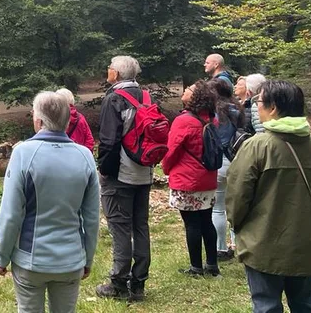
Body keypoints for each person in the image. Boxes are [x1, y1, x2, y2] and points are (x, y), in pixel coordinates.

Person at [227, 81, 311, 313]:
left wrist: (239, 227)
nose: (257, 107)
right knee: (305, 305)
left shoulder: (256, 146)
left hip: (261, 244)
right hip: (304, 244)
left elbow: (237, 197)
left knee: (266, 305)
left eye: (259, 102)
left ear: (273, 108)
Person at [0, 90, 100, 313]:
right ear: (68, 119)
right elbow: (91, 218)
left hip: (31, 261)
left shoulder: (22, 153)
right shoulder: (85, 156)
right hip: (71, 261)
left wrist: (1, 256)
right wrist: (87, 258)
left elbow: (11, 214)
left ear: (38, 120)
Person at [95, 56, 152, 302]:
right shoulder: (148, 97)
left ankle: (118, 283)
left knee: (120, 229)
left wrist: (104, 170)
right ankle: (138, 284)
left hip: (121, 175)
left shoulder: (114, 99)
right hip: (145, 172)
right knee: (140, 227)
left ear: (116, 74)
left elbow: (109, 141)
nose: (108, 71)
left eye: (110, 67)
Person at [162, 81, 221, 277]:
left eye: (189, 89)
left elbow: (172, 151)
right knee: (207, 221)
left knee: (192, 224)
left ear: (195, 97)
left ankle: (196, 267)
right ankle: (212, 265)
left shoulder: (183, 121)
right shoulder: (211, 119)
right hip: (208, 177)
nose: (185, 90)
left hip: (187, 179)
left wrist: (166, 168)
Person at [207, 79, 245, 261]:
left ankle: (220, 248)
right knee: (236, 207)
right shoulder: (237, 110)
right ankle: (238, 244)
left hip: (217, 163)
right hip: (236, 160)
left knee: (218, 209)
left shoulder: (210, 113)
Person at [56, 88, 95, 154]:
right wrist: (85, 156)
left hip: (59, 156)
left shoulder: (54, 118)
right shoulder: (80, 117)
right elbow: (89, 140)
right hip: (78, 156)